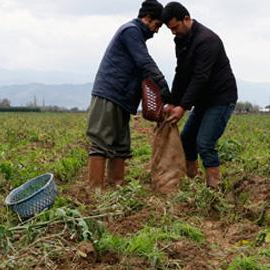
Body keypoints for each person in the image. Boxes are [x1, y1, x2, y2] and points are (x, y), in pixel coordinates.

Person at [87, 0, 171, 189]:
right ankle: (94, 192)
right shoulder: (131, 31)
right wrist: (163, 85)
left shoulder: (136, 35)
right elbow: (144, 62)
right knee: (101, 142)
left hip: (122, 98)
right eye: (157, 25)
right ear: (148, 18)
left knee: (121, 145)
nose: (157, 31)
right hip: (110, 93)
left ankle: (117, 187)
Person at [161, 2, 237, 188]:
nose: (173, 32)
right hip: (203, 100)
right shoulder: (181, 40)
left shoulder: (207, 40)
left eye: (175, 27)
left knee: (204, 143)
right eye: (170, 29)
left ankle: (214, 189)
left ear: (186, 19)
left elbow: (200, 77)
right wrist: (173, 102)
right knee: (187, 140)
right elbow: (181, 73)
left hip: (220, 98)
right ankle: (193, 185)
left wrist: (183, 107)